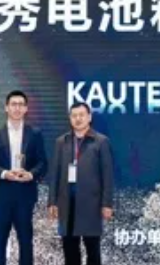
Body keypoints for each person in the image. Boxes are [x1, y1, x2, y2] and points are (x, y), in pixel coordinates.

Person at [0, 90, 48, 265]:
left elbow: (43, 163)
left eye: (21, 105)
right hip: (1, 196)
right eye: (13, 104)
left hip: (25, 196)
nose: (17, 108)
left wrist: (30, 174)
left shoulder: (35, 134)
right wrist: (4, 173)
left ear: (26, 109)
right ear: (6, 107)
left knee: (26, 241)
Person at [48, 101, 114, 265]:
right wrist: (52, 201)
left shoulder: (101, 141)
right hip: (67, 205)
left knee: (93, 251)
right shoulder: (61, 142)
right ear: (70, 118)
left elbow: (107, 175)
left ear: (89, 117)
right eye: (74, 116)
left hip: (91, 205)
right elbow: (55, 173)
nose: (78, 119)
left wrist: (107, 204)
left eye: (82, 115)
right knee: (70, 251)